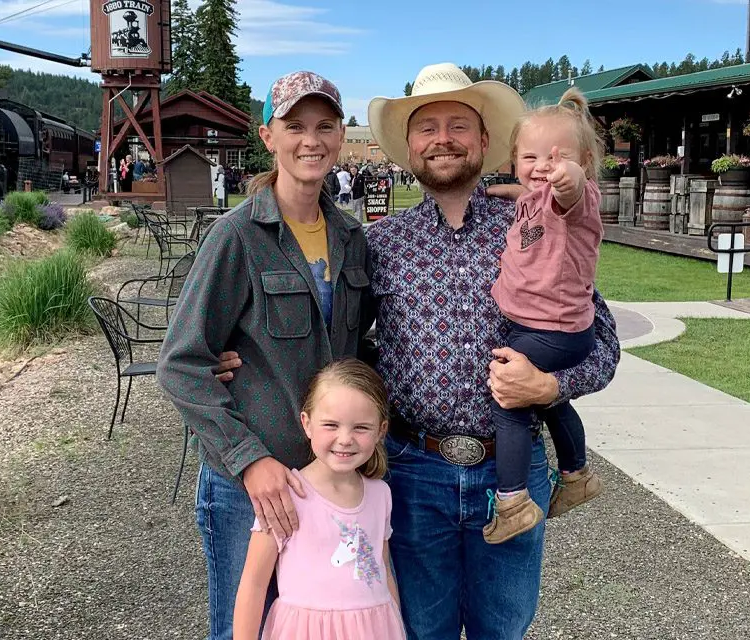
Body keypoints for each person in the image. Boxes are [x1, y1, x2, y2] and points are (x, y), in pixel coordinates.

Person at [366, 62, 619, 638]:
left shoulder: (540, 221)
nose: (443, 139)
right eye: (427, 127)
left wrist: (552, 388)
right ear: (409, 146)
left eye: (459, 125)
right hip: (412, 471)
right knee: (418, 627)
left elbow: (600, 339)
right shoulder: (381, 242)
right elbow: (345, 343)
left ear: (484, 142)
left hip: (511, 471)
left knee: (501, 628)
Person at [155, 70, 371, 640]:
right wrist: (249, 460)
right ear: (267, 136)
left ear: (341, 137)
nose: (311, 140)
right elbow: (181, 363)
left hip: (328, 478)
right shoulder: (238, 236)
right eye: (294, 125)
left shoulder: (352, 238)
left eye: (325, 126)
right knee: (242, 627)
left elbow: (358, 350)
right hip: (249, 485)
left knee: (314, 624)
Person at [483, 87, 606, 545]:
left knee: (509, 394)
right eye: (528, 156)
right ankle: (576, 476)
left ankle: (512, 501)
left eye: (554, 157)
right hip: (550, 327)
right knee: (549, 399)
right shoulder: (534, 200)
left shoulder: (576, 202)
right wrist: (517, 188)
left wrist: (566, 176)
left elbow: (568, 192)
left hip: (553, 328)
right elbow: (535, 196)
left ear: (584, 161)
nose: (541, 167)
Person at [233, 359, 405, 640]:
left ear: (381, 430)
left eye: (361, 427)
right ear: (307, 423)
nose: (345, 439)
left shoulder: (380, 494)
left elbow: (381, 570)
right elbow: (253, 584)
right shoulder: (285, 495)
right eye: (331, 425)